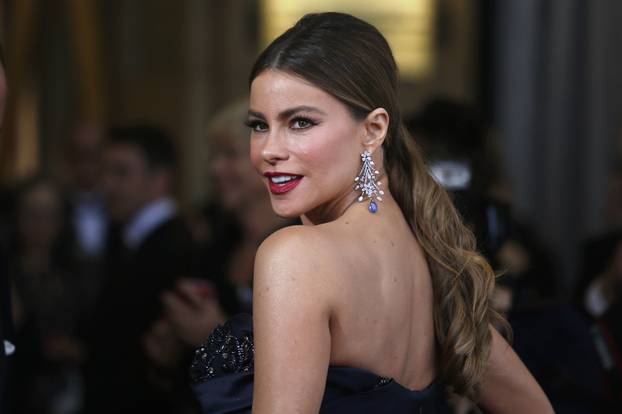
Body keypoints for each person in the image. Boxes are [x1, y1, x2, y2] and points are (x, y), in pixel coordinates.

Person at [190, 12, 553, 413]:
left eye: (300, 122)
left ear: (373, 129)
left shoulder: (296, 255)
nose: (268, 150)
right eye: (259, 125)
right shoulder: (428, 252)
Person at [84, 126, 196, 414]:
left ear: (159, 180)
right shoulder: (124, 237)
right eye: (105, 172)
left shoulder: (175, 250)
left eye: (121, 173)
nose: (107, 184)